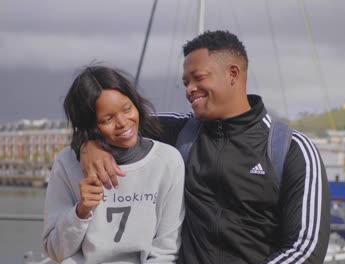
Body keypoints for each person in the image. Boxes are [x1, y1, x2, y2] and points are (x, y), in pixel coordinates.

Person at [80, 30, 330, 264]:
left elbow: (305, 249)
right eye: (186, 81)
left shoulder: (291, 148)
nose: (189, 90)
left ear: (233, 73)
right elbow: (114, 125)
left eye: (198, 78)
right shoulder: (177, 131)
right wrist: (89, 145)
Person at [42, 66, 185, 263]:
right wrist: (81, 211)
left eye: (127, 109)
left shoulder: (168, 162)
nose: (123, 123)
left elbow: (165, 253)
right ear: (89, 125)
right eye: (107, 119)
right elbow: (54, 250)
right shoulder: (67, 163)